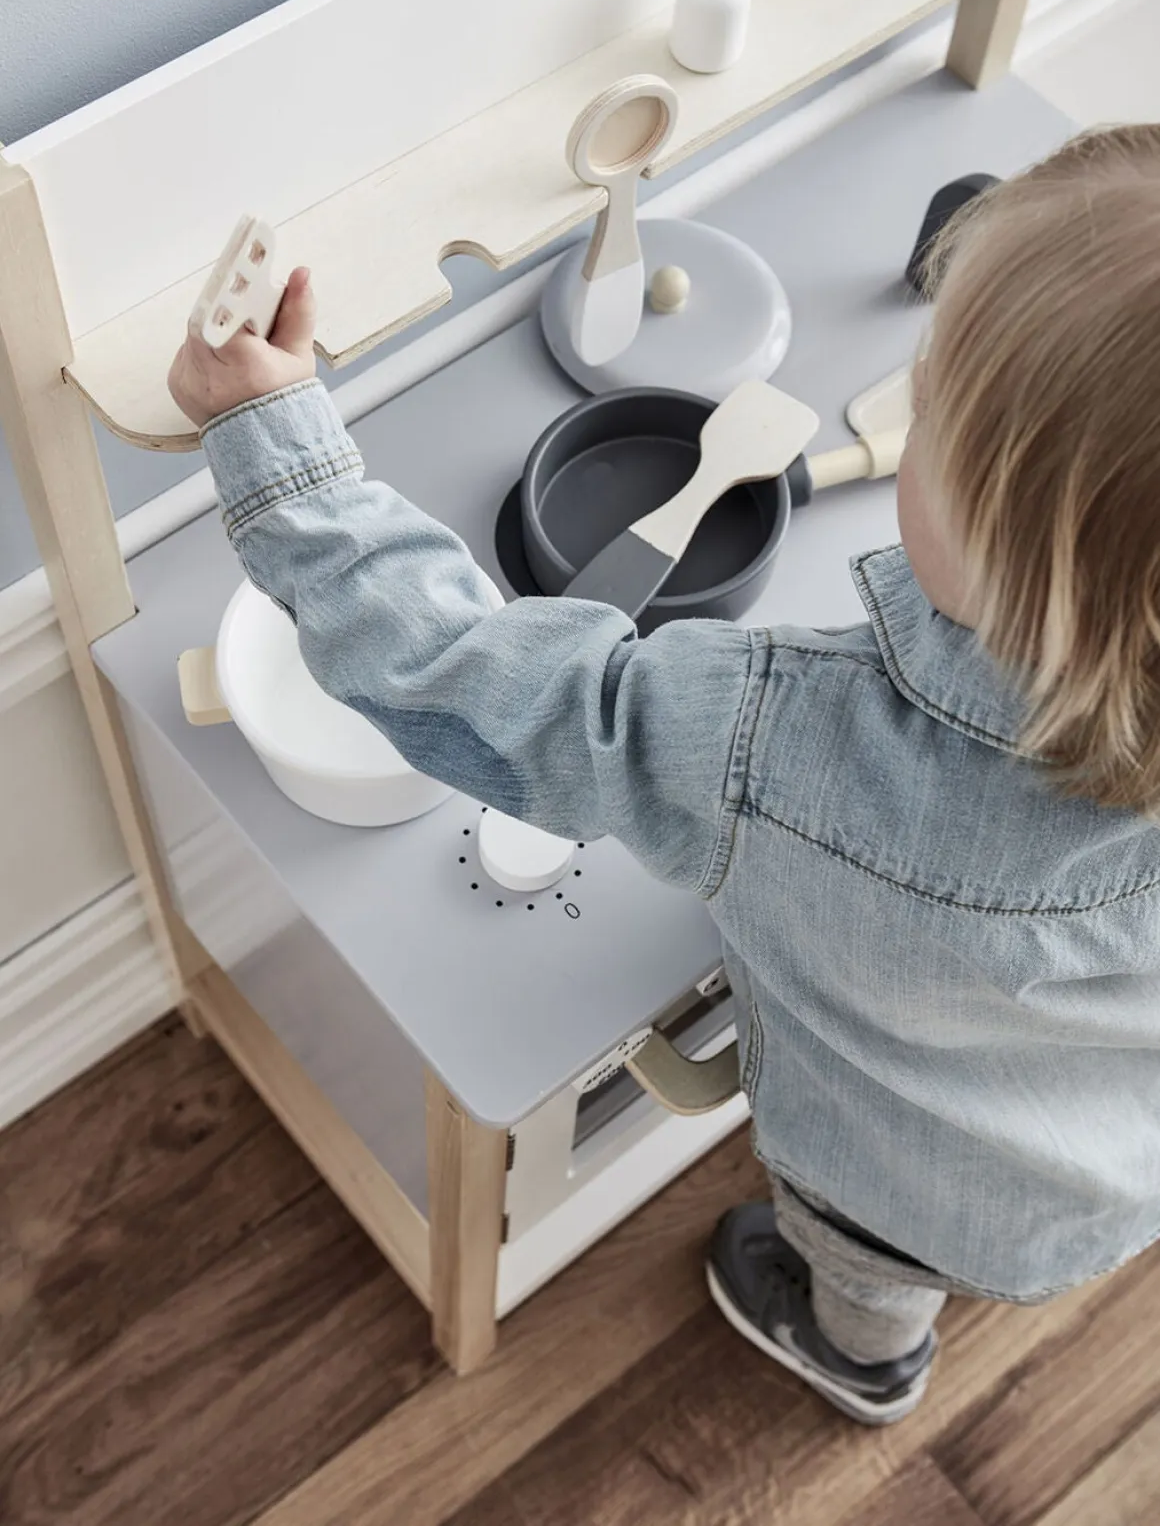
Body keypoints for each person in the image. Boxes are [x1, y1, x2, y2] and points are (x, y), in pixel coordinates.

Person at [170, 125, 1160, 1426]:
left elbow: (480, 685)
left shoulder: (777, 740)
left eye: (926, 410)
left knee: (870, 1266)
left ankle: (861, 1353)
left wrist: (277, 448)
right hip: (1100, 1171)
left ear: (1014, 554)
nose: (906, 410)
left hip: (891, 1187)